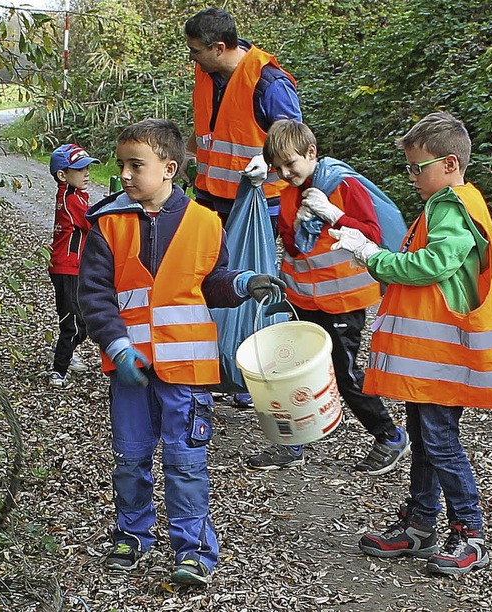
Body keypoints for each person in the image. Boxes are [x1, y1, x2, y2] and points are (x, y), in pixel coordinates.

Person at [77, 118, 286, 586]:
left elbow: (210, 282)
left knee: (186, 460)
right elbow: (94, 296)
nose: (126, 175)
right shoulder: (107, 223)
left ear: (169, 168)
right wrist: (117, 346)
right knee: (130, 458)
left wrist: (243, 283)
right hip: (131, 370)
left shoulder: (205, 222)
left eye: (137, 165)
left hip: (187, 371)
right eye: (122, 165)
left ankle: (192, 550)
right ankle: (132, 534)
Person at [330, 112, 492, 575]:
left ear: (449, 164)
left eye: (418, 168)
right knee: (426, 438)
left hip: (442, 360)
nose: (412, 177)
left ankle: (469, 533)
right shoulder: (449, 203)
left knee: (438, 442)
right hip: (431, 361)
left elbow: (432, 265)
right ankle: (421, 525)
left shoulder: (452, 205)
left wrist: (373, 256)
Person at [245, 119, 409, 473]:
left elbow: (370, 232)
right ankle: (292, 443)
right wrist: (298, 223)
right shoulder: (290, 192)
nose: (286, 173)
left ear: (311, 153)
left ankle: (390, 435)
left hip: (342, 301)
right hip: (304, 298)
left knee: (344, 374)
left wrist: (332, 215)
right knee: (295, 370)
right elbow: (290, 245)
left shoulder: (342, 185)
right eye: (279, 168)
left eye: (292, 164)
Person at [184, 7, 301, 408]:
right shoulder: (207, 73)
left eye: (196, 51)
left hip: (257, 205)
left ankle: (250, 373)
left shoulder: (269, 83)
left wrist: (266, 165)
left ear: (219, 47)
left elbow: (294, 145)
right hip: (210, 200)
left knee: (254, 285)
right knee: (208, 281)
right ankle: (214, 365)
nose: (191, 58)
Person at [47, 144, 99, 388]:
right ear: (62, 175)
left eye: (88, 167)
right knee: (73, 321)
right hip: (67, 268)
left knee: (84, 319)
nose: (86, 173)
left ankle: (63, 350)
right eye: (79, 169)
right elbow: (94, 225)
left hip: (75, 268)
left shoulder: (76, 196)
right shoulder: (71, 200)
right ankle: (59, 369)